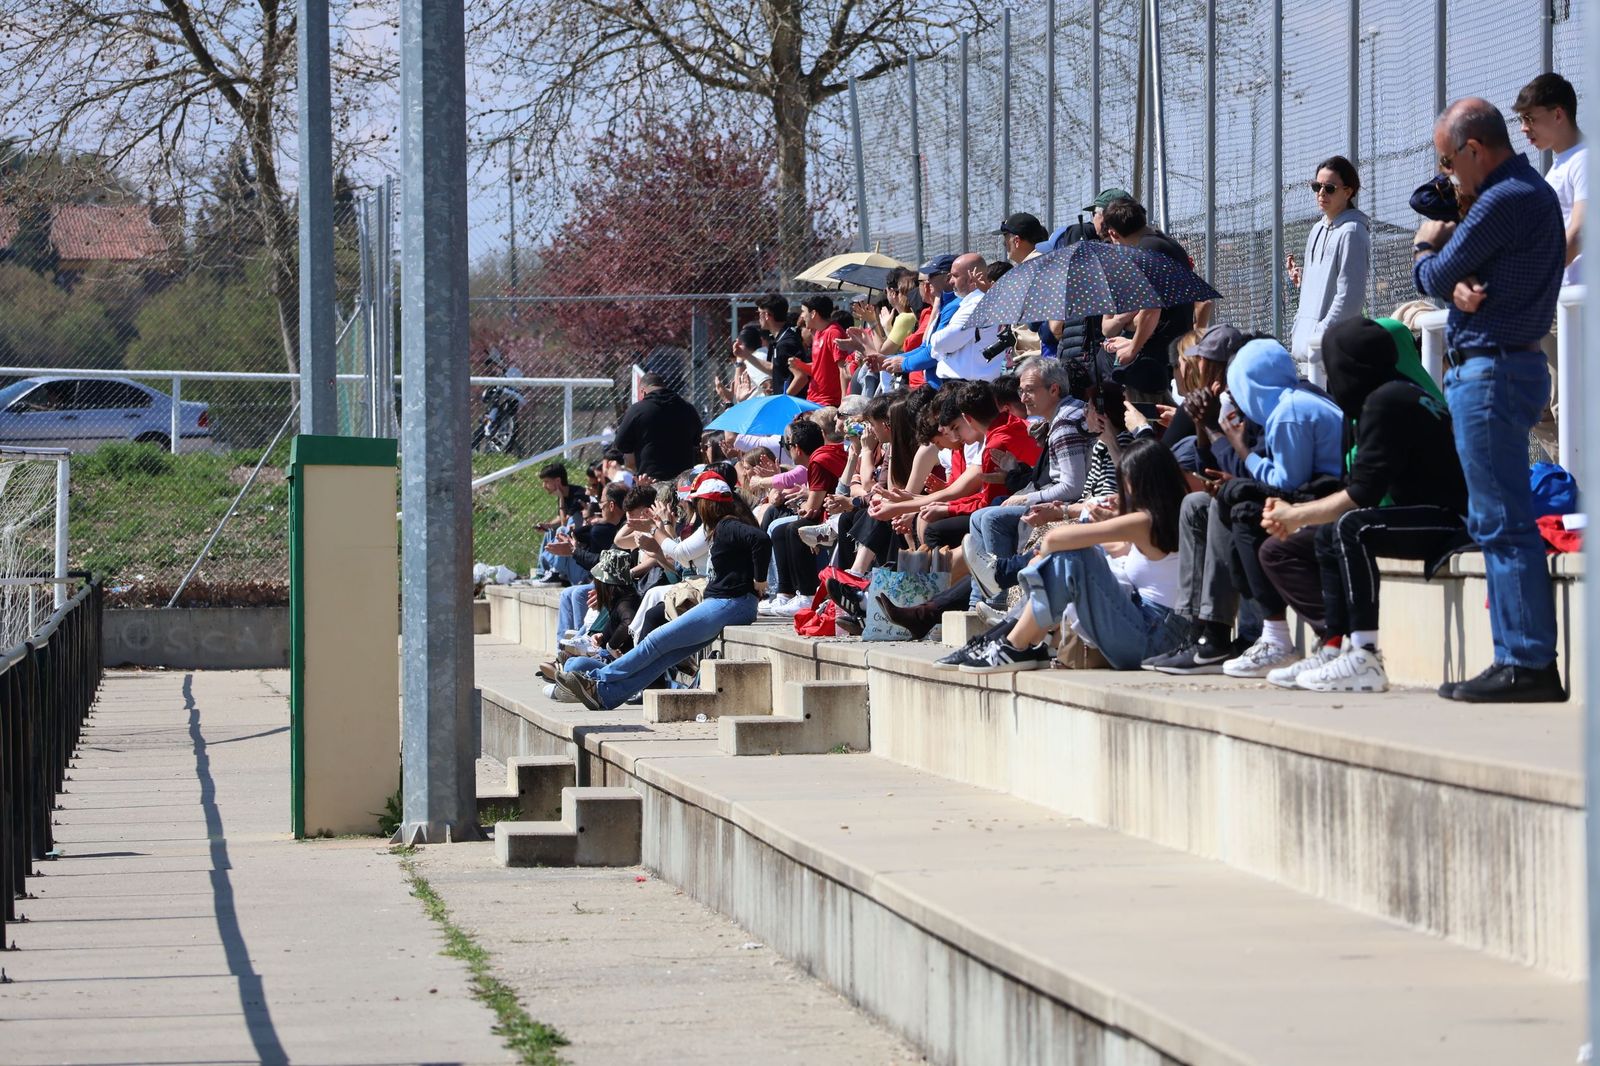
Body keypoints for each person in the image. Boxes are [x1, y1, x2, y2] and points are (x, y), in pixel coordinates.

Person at [1412, 97, 1567, 702]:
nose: (1448, 177)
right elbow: (1454, 279)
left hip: (1494, 372)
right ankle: (1517, 656)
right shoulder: (1524, 193)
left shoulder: (1505, 198)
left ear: (1475, 150)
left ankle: (1526, 662)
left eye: (1450, 163)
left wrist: (1428, 249)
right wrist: (1451, 278)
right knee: (1497, 518)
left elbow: (1435, 269)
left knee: (1501, 521)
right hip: (1504, 367)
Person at [1256, 317, 1470, 693]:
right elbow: (1357, 486)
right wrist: (1301, 518)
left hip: (1449, 520)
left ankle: (1365, 654)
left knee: (1353, 527)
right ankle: (1335, 645)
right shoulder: (1392, 393)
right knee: (1327, 536)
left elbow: (1363, 494)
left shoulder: (1387, 402)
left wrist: (1294, 516)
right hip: (1424, 514)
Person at [958, 438, 1189, 673]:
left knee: (1073, 556)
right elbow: (1114, 550)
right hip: (1149, 635)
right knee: (1074, 556)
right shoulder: (1165, 520)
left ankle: (1015, 644)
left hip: (1149, 640)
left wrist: (1055, 548)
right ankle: (1016, 642)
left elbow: (1053, 540)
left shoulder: (1146, 522)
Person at [555, 471, 770, 711]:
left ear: (708, 504)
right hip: (726, 604)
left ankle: (598, 679)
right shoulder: (722, 525)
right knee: (667, 655)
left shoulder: (728, 524)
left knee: (656, 641)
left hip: (730, 604)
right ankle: (605, 695)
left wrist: (759, 580)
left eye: (696, 502)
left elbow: (761, 540)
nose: (694, 507)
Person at [1513, 72, 1585, 457]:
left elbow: (1580, 231)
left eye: (1530, 118)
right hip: (1551, 304)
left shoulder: (1585, 160)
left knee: (1568, 407)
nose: (1524, 129)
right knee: (1542, 406)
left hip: (1569, 305)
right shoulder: (1559, 165)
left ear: (1559, 114)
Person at [1097, 197, 1195, 401]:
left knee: (1149, 409)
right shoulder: (1165, 243)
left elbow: (1151, 309)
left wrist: (1133, 349)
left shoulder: (1146, 250)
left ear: (1113, 233)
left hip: (1160, 350)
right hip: (1174, 341)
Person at [1287, 155, 1370, 374]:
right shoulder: (1316, 230)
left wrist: (1319, 335)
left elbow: (1350, 297)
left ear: (1348, 191)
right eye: (1317, 186)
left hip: (1332, 358)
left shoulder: (1353, 231)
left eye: (1329, 188)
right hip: (1306, 356)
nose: (1321, 193)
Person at [926, 253, 1006, 382]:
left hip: (966, 386)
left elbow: (944, 341)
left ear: (971, 279)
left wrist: (935, 345)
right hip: (967, 383)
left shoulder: (977, 305)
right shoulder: (973, 303)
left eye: (955, 276)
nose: (950, 281)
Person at [614, 374, 702, 482]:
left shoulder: (638, 410)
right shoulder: (688, 408)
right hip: (683, 480)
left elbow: (620, 443)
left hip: (651, 479)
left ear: (643, 391)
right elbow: (697, 439)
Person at [790, 295, 847, 407]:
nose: (801, 316)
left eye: (803, 311)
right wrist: (800, 365)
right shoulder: (818, 333)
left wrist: (844, 403)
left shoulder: (834, 333)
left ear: (813, 313)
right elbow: (820, 369)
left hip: (828, 403)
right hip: (813, 399)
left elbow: (843, 369)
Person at [755, 294, 802, 396]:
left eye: (759, 314)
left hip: (794, 406)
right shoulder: (779, 340)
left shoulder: (787, 343)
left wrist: (783, 400)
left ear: (766, 315)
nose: (758, 318)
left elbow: (802, 377)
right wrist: (746, 355)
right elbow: (776, 369)